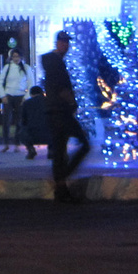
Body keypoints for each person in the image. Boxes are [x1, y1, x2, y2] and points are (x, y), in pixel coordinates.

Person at [41, 32, 90, 202]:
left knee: (60, 151)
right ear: (58, 43)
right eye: (63, 42)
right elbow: (61, 88)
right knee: (84, 144)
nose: (66, 46)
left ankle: (61, 189)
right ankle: (62, 178)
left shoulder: (53, 62)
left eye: (67, 43)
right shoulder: (56, 63)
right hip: (61, 111)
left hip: (54, 111)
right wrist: (71, 103)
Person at [0, 46, 33, 151]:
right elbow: (0, 82)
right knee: (6, 120)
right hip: (8, 96)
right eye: (14, 56)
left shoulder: (26, 68)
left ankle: (17, 143)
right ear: (11, 57)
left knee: (19, 121)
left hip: (20, 96)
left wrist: (26, 97)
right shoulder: (7, 67)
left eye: (17, 56)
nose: (16, 58)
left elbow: (31, 83)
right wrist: (2, 95)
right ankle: (6, 143)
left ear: (21, 57)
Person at [21, 85, 49, 160]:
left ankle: (31, 149)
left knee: (22, 131)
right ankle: (52, 151)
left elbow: (23, 120)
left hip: (32, 134)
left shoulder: (27, 103)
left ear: (31, 94)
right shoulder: (49, 102)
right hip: (49, 133)